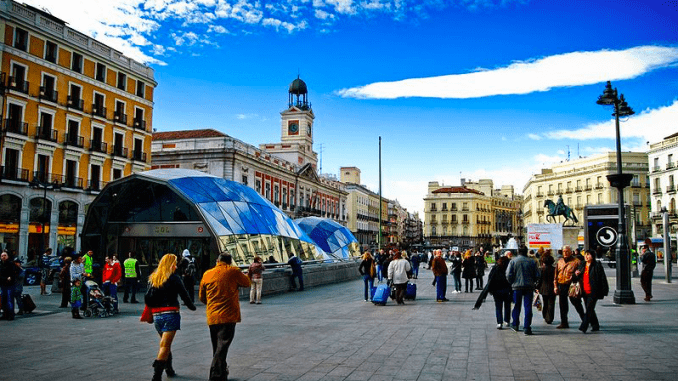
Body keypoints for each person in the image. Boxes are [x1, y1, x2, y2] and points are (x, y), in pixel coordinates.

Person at [199, 253, 251, 381]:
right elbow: (247, 283)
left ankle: (222, 373)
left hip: (212, 316)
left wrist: (211, 304)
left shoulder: (207, 274)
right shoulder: (233, 271)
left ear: (217, 261)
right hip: (228, 316)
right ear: (230, 261)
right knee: (222, 346)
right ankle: (215, 375)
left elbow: (201, 296)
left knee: (217, 346)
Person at [147, 253, 196, 381]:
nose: (176, 266)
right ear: (171, 264)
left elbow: (148, 298)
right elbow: (184, 294)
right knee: (165, 345)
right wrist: (192, 306)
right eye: (175, 263)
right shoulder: (174, 278)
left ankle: (169, 369)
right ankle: (157, 375)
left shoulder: (154, 277)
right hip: (170, 313)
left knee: (165, 343)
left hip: (157, 315)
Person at [506, 245, 540, 335]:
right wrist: (533, 281)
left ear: (518, 252)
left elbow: (508, 274)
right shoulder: (532, 262)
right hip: (529, 287)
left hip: (517, 287)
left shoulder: (513, 261)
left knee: (517, 305)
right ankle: (527, 327)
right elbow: (537, 274)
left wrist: (512, 282)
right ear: (526, 252)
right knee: (528, 306)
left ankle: (515, 324)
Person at [573, 250, 609, 333]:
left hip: (593, 290)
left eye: (588, 255)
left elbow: (602, 278)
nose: (586, 256)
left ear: (593, 256)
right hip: (584, 290)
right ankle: (595, 325)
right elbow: (575, 277)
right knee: (590, 309)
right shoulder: (582, 265)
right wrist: (576, 274)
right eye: (585, 255)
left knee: (589, 309)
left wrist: (604, 290)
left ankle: (583, 326)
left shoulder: (597, 265)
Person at [474, 256, 512, 329]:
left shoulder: (495, 268)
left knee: (498, 306)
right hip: (507, 290)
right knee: (507, 306)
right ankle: (507, 321)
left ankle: (499, 322)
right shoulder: (509, 268)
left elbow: (490, 279)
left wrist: (490, 290)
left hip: (496, 290)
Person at [553, 245, 584, 329]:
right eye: (564, 251)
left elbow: (580, 274)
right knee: (562, 305)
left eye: (567, 251)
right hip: (561, 284)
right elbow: (556, 275)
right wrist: (555, 286)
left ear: (571, 252)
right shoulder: (560, 261)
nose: (565, 253)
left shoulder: (576, 261)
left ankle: (585, 319)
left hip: (572, 285)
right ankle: (564, 322)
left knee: (576, 303)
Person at [536, 250, 556, 324]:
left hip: (543, 288)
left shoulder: (541, 269)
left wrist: (537, 287)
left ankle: (545, 315)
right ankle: (549, 318)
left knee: (545, 302)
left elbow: (539, 280)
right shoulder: (554, 269)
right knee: (551, 303)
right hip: (552, 288)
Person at [1, 251, 18, 320]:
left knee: (9, 299)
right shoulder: (1, 264)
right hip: (3, 284)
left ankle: (10, 315)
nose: (3, 257)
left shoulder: (11, 264)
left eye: (5, 255)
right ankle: (5, 314)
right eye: (2, 256)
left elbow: (14, 273)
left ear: (7, 256)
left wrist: (10, 277)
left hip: (10, 284)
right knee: (4, 299)